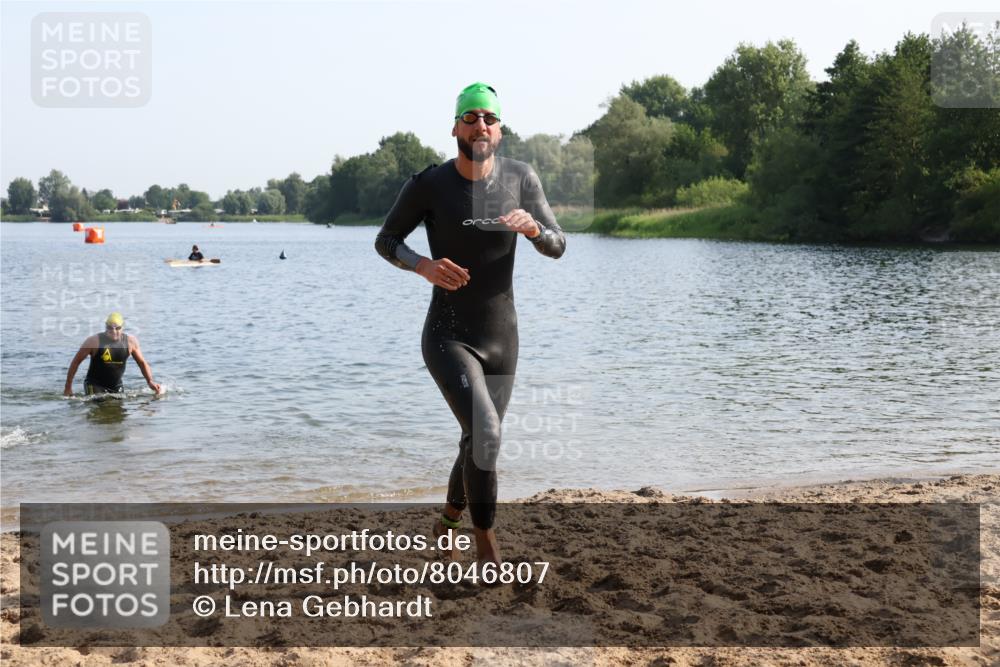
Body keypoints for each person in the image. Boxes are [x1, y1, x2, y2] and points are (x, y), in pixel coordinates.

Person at [375, 82, 565, 567]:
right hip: (449, 332)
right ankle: (486, 544)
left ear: (499, 130)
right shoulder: (429, 185)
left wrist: (534, 230)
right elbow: (387, 240)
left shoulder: (522, 179)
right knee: (486, 432)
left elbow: (558, 243)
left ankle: (447, 523)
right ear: (455, 127)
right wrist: (422, 265)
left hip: (503, 335)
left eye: (489, 118)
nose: (480, 125)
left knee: (477, 438)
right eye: (471, 117)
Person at [64, 312, 162, 396]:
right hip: (94, 384)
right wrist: (68, 387)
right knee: (99, 406)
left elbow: (142, 363)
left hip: (116, 385)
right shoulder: (93, 342)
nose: (113, 331)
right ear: (106, 327)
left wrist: (150, 381)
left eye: (117, 328)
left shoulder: (131, 342)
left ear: (122, 327)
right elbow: (76, 362)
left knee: (119, 414)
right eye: (110, 328)